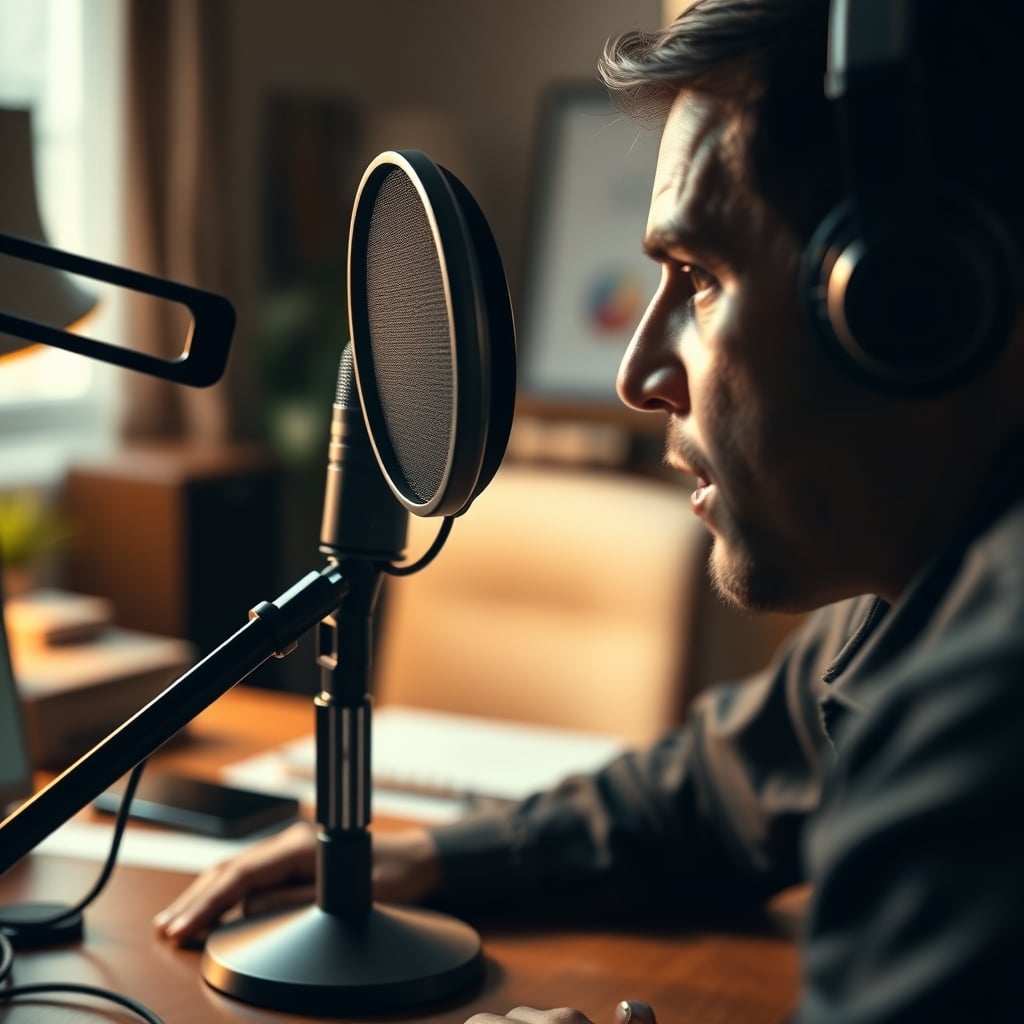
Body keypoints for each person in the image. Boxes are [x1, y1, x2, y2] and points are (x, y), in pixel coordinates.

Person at [155, 0, 1024, 1020]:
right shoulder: (917, 600)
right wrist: (434, 859)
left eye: (698, 277)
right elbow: (715, 790)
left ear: (907, 304)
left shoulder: (987, 708)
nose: (637, 373)